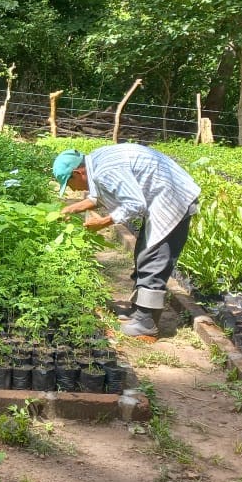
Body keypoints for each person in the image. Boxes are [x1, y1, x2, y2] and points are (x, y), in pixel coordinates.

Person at [53, 144, 200, 338]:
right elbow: (98, 196)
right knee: (142, 252)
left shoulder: (105, 170)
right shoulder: (96, 162)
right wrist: (69, 210)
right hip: (161, 196)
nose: (73, 190)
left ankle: (146, 323)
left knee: (154, 258)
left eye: (70, 184)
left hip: (172, 199)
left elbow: (135, 204)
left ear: (77, 172)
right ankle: (138, 311)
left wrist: (103, 222)